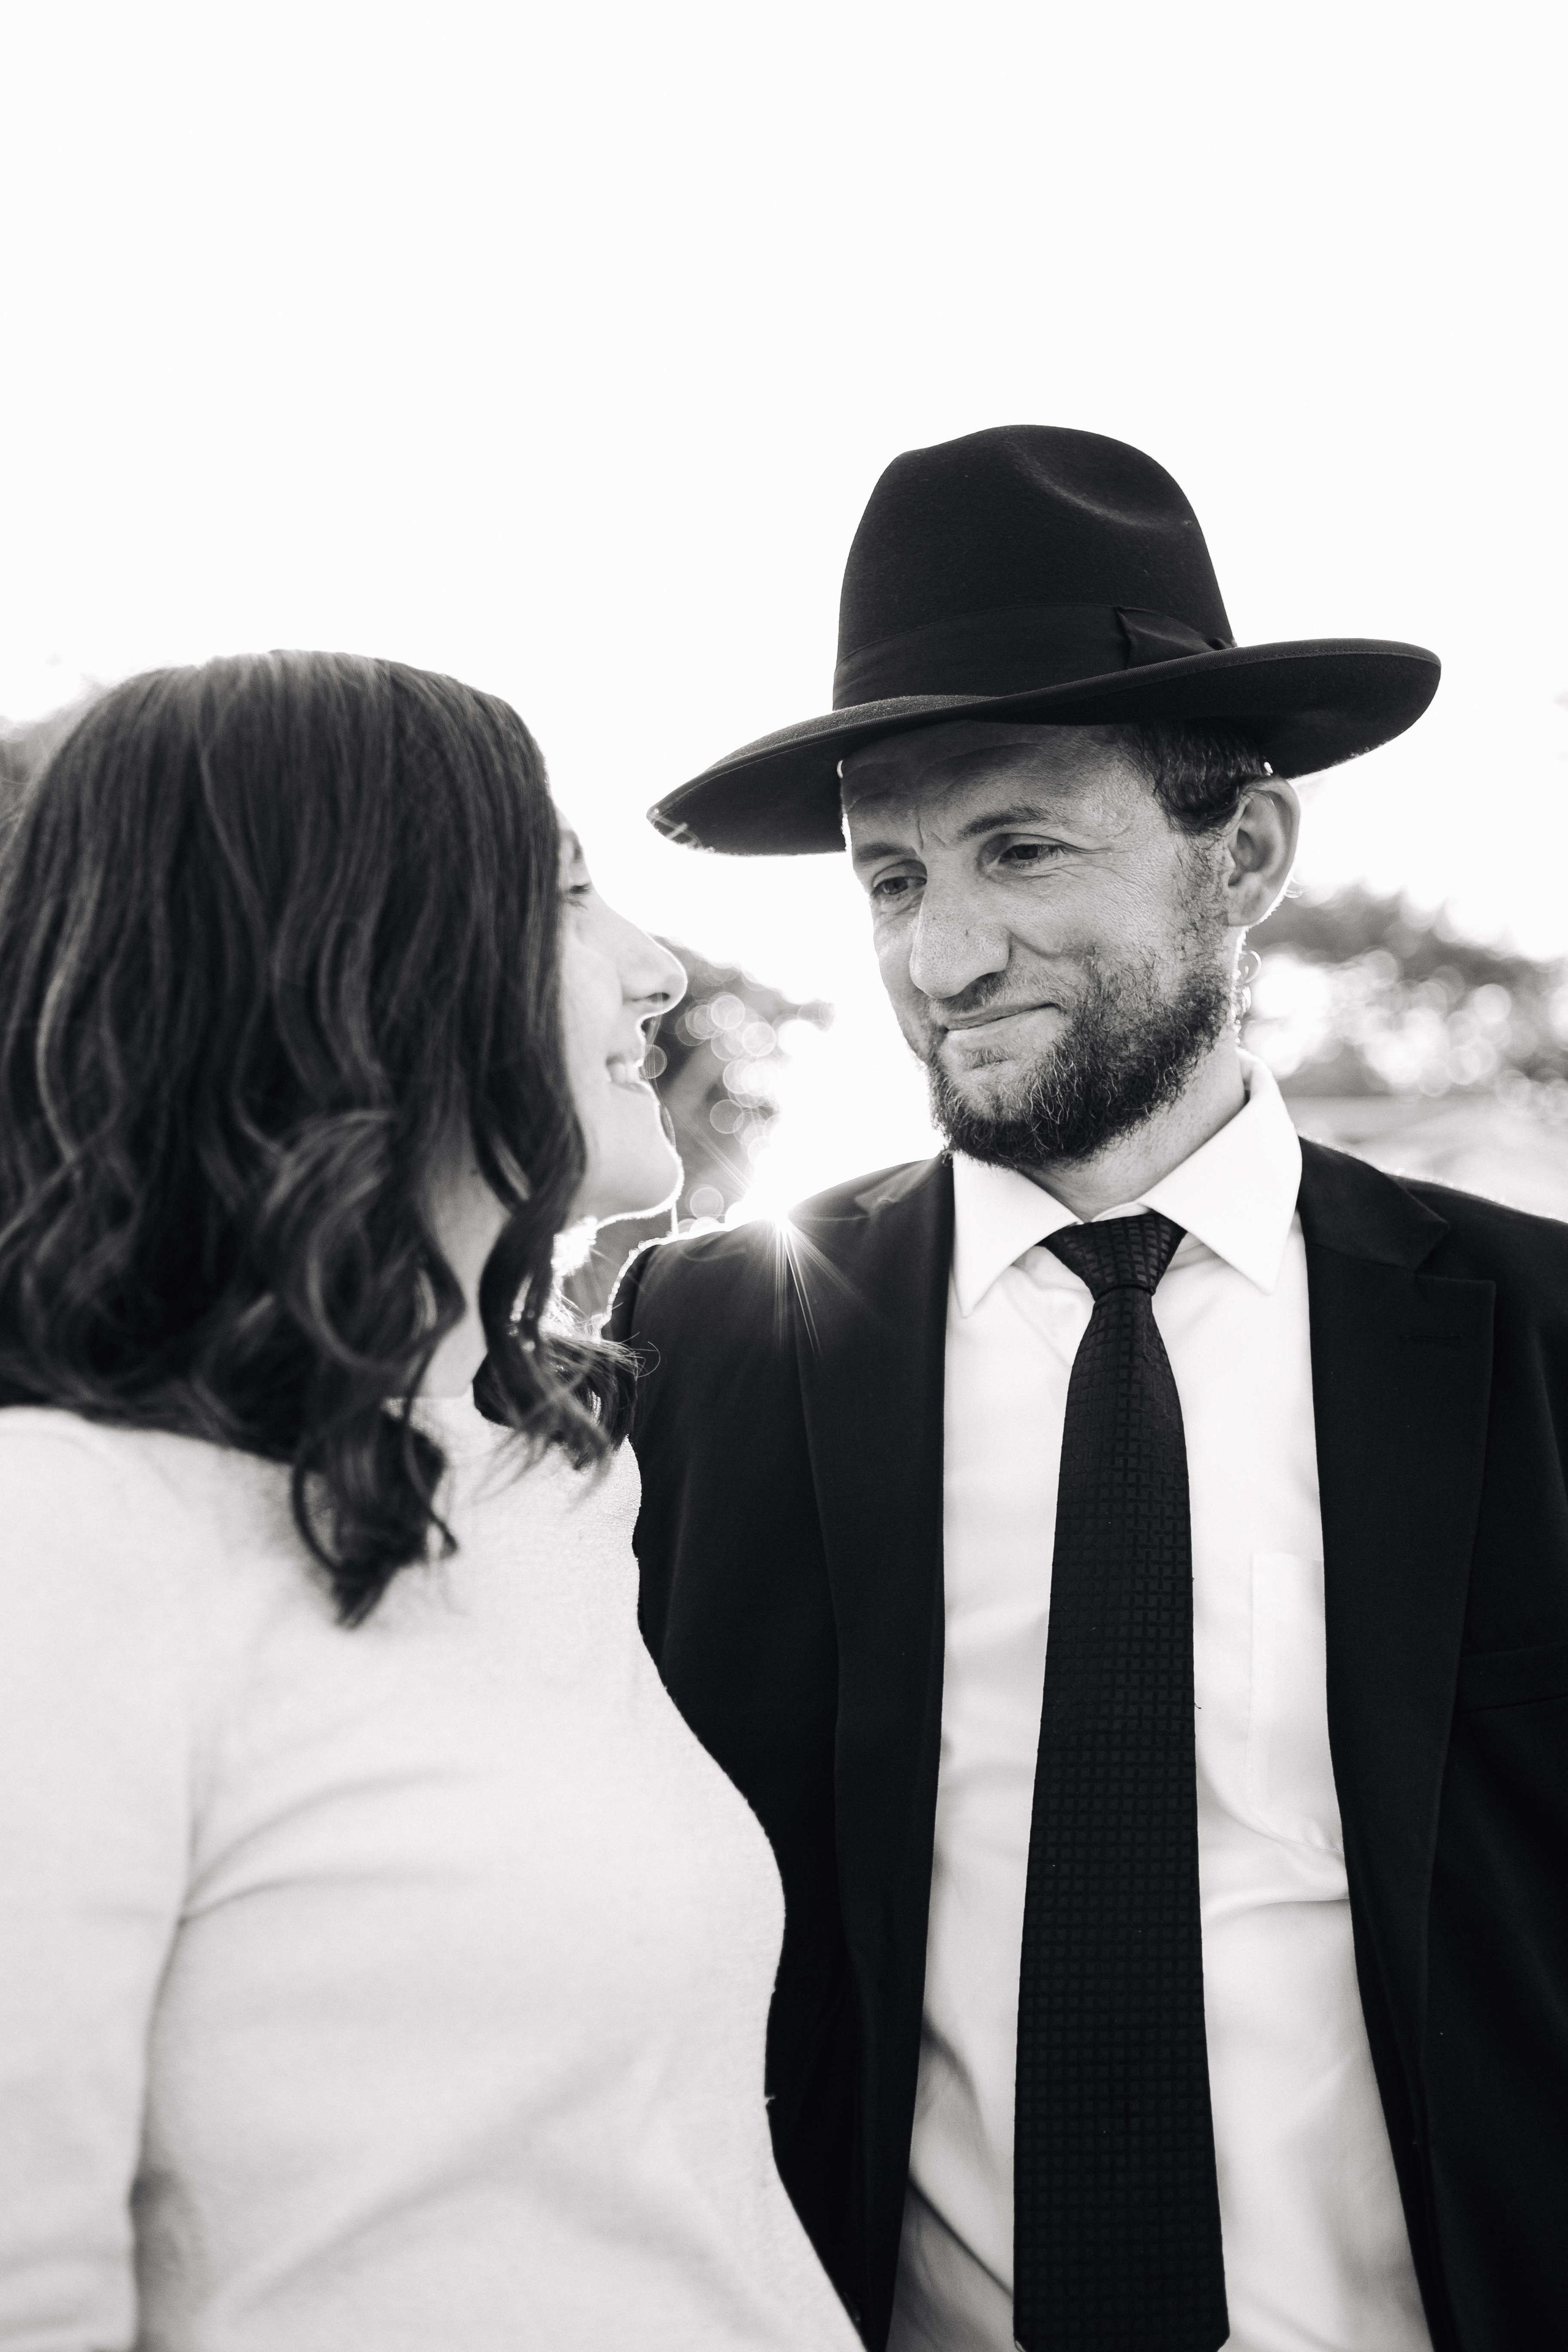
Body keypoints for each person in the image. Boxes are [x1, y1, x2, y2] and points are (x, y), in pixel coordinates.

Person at [610, 426, 1568, 2352]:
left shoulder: (1541, 1339)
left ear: (1252, 853)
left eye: (1021, 848)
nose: (943, 954)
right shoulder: (705, 1349)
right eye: (891, 877)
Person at [0, 652, 861, 2352]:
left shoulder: (552, 1501)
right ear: (352, 963)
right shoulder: (67, 1543)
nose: (658, 970)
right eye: (565, 892)